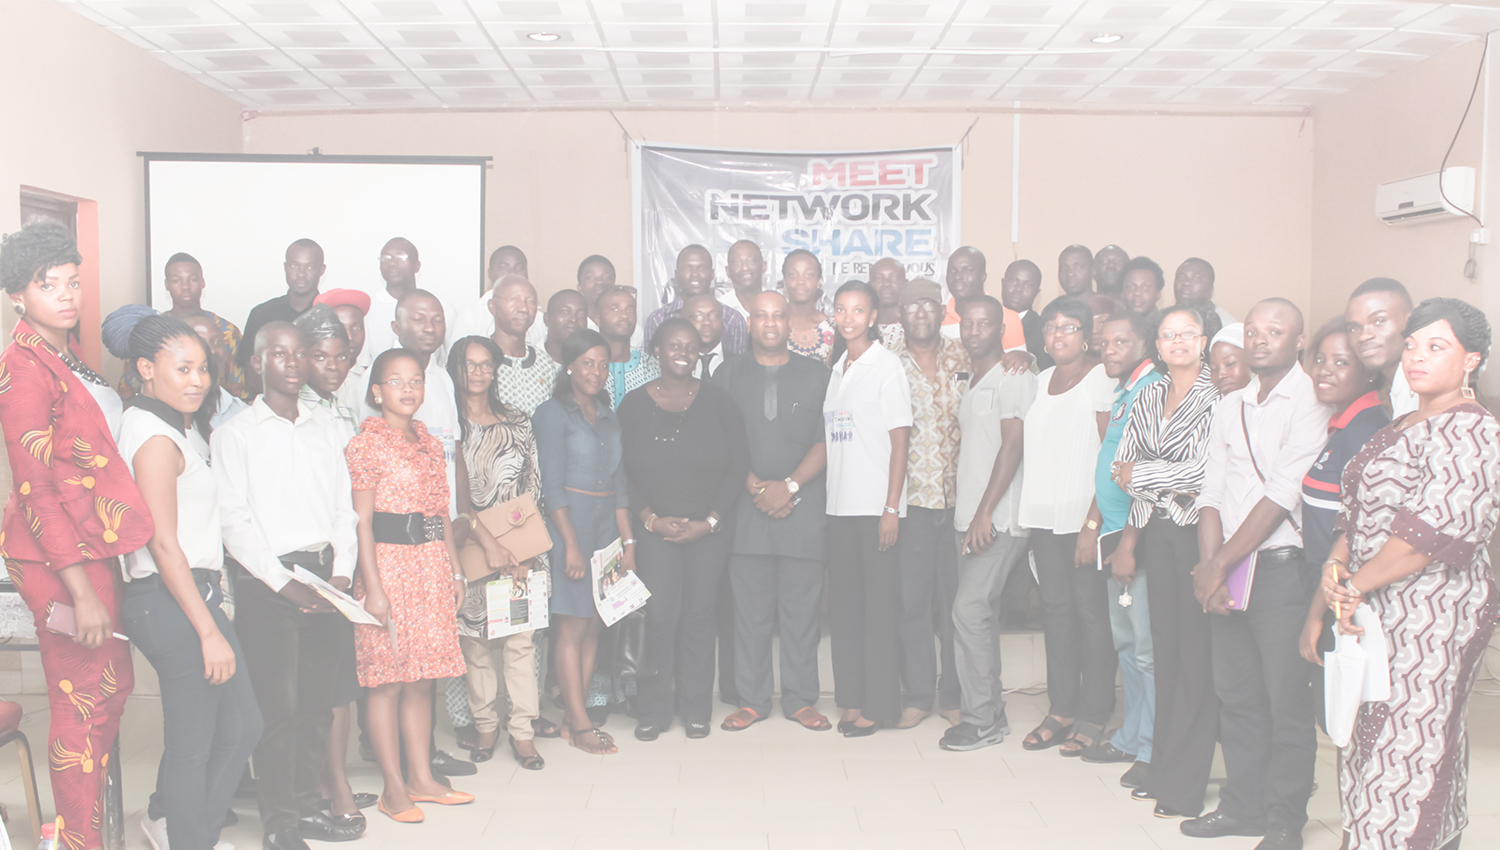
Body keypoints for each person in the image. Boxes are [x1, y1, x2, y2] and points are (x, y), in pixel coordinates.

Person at [1319, 298, 1498, 850]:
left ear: (1472, 360)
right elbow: (1358, 510)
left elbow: (1429, 534)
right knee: (1372, 737)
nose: (1416, 357)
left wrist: (1355, 584)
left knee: (1409, 740)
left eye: (1436, 347)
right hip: (1374, 604)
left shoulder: (1474, 431)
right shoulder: (1403, 423)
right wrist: (1336, 566)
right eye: (1413, 346)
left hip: (1435, 611)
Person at [0, 222, 149, 850]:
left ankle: (80, 833)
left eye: (72, 282)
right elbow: (35, 488)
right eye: (47, 284)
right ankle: (76, 842)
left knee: (110, 687)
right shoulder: (22, 369)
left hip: (92, 546)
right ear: (16, 295)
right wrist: (80, 593)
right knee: (79, 702)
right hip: (56, 556)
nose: (65, 294)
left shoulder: (63, 352)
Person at [213, 322, 366, 849]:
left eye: (300, 353)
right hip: (266, 580)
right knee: (277, 709)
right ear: (257, 364)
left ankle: (305, 806)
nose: (293, 363)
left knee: (318, 704)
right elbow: (234, 521)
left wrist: (342, 572)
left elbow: (346, 509)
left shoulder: (329, 428)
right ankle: (278, 823)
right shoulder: (235, 434)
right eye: (279, 354)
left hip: (325, 575)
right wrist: (282, 583)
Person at [1184, 298, 1330, 849]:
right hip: (1227, 571)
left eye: (1276, 331)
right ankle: (1242, 807)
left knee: (1285, 702)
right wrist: (1209, 566)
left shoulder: (1311, 399)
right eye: (1254, 330)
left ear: (1298, 341)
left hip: (1279, 573)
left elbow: (1282, 493)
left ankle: (1283, 820)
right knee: (1237, 696)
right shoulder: (1232, 404)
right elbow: (1211, 491)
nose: (1261, 339)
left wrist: (1216, 566)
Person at [116, 313, 263, 850]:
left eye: (203, 368)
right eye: (183, 369)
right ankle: (187, 838)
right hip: (169, 598)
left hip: (187, 594)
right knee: (193, 743)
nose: (197, 380)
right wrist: (207, 630)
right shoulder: (152, 435)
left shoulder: (173, 426)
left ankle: (180, 825)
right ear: (146, 369)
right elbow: (161, 543)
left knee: (242, 725)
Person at [345, 348, 473, 823]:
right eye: (395, 380)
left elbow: (441, 512)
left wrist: (455, 571)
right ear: (376, 391)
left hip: (430, 568)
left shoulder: (427, 441)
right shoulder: (365, 444)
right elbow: (361, 522)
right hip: (388, 568)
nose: (407, 388)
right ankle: (393, 786)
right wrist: (373, 588)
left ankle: (422, 777)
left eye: (415, 380)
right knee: (387, 683)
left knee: (422, 679)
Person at [1111, 304, 1222, 815]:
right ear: (1157, 344)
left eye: (1187, 334)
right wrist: (1132, 535)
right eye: (1167, 335)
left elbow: (1202, 474)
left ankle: (1187, 782)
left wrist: (1145, 474)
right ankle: (1165, 763)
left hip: (1198, 537)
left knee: (1195, 661)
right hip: (1157, 533)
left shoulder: (1217, 394)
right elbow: (1120, 468)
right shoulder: (1150, 392)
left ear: (1204, 341)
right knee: (1168, 655)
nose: (1177, 342)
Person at [620, 318, 750, 740]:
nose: (682, 351)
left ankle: (695, 708)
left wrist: (709, 521)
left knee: (698, 616)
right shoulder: (633, 405)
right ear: (656, 350)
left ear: (700, 353)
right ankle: (654, 710)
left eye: (690, 346)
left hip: (707, 532)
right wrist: (649, 518)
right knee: (659, 616)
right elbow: (621, 470)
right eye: (673, 344)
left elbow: (737, 467)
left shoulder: (720, 402)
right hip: (653, 530)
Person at [714, 292, 833, 733]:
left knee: (802, 616)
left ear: (790, 324)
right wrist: (756, 487)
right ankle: (753, 700)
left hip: (803, 514)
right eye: (760, 315)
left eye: (777, 315)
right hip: (746, 516)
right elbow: (720, 440)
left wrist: (790, 487)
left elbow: (826, 439)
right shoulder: (727, 374)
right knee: (750, 616)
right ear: (749, 322)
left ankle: (801, 700)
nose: (769, 323)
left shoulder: (816, 374)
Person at [1016, 296, 1118, 756]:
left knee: (1092, 616)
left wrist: (1093, 521)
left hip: (1084, 519)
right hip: (1045, 517)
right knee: (1057, 613)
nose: (1059, 335)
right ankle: (1062, 709)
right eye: (1052, 327)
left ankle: (1095, 712)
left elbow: (1113, 455)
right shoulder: (1038, 381)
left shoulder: (1101, 379)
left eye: (1070, 327)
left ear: (1087, 335)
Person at [448, 335, 549, 768]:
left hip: (521, 547)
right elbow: (450, 498)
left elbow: (533, 488)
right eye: (470, 365)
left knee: (521, 643)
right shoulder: (448, 427)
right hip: (469, 547)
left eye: (486, 364)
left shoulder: (518, 420)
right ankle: (485, 726)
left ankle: (523, 733)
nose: (479, 373)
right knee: (475, 644)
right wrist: (482, 541)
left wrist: (522, 551)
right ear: (455, 369)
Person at [940, 296, 1035, 752]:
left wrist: (984, 512)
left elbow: (1012, 447)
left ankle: (981, 721)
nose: (975, 330)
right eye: (968, 323)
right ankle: (990, 712)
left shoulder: (1015, 375)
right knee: (981, 615)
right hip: (971, 518)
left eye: (985, 324)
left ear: (1002, 330)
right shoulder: (974, 378)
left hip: (997, 519)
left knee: (968, 610)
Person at [533, 329, 635, 756]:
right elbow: (551, 486)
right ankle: (578, 722)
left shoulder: (609, 414)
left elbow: (621, 482)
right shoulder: (552, 414)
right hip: (569, 525)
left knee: (595, 623)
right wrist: (569, 545)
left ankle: (574, 719)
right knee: (571, 625)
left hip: (607, 526)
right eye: (587, 363)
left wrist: (629, 543)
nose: (596, 372)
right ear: (569, 366)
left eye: (602, 364)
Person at [1074, 313, 1162, 772]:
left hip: (1136, 538)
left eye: (1120, 342)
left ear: (1145, 344)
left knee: (1146, 650)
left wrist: (1128, 544)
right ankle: (1131, 735)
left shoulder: (1151, 390)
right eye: (1104, 342)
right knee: (1127, 645)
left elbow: (1145, 479)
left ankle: (1151, 746)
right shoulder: (1124, 390)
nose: (1109, 349)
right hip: (1113, 535)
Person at [824, 280, 912, 736]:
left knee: (878, 612)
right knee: (847, 611)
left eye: (858, 310)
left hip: (876, 508)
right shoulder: (838, 366)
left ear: (873, 316)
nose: (848, 318)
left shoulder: (886, 365)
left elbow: (901, 440)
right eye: (841, 310)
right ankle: (852, 699)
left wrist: (892, 507)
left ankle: (879, 705)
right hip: (839, 508)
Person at [1295, 321, 1387, 736]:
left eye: (1341, 362)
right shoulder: (1342, 425)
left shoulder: (1365, 431)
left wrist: (1317, 614)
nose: (1324, 370)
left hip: (1339, 599)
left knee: (1342, 719)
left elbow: (1349, 536)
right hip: (1323, 588)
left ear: (1368, 370)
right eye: (1319, 359)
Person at [892, 278, 968, 728]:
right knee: (912, 604)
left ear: (943, 312)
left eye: (928, 305)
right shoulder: (886, 364)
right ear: (899, 315)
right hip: (911, 503)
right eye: (911, 306)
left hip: (962, 502)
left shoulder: (965, 355)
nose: (921, 313)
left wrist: (1024, 355)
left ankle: (953, 695)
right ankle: (918, 694)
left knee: (956, 606)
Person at [238, 238, 325, 394]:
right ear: (285, 267)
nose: (301, 274)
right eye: (294, 265)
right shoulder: (262, 314)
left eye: (310, 267)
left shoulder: (330, 315)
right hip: (271, 408)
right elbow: (251, 375)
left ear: (322, 270)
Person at [159, 252, 249, 399]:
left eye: (193, 279)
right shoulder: (153, 330)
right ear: (167, 285)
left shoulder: (227, 331)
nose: (186, 286)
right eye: (177, 281)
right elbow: (131, 389)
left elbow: (237, 388)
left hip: (217, 413)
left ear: (202, 282)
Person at [361, 238, 454, 371]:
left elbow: (454, 359)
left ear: (417, 266)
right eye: (385, 258)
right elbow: (363, 365)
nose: (392, 263)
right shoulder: (367, 310)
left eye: (401, 257)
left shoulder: (442, 308)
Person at [643, 245, 749, 351]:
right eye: (687, 268)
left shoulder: (732, 319)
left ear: (712, 274)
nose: (695, 274)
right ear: (676, 275)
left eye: (702, 268)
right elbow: (652, 366)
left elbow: (737, 366)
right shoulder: (657, 320)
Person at [1344, 277, 1417, 417]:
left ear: (1410, 322)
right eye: (1354, 328)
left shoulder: (1418, 389)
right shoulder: (1395, 387)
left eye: (1379, 321)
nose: (1363, 336)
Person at [488, 275, 560, 415]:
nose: (523, 308)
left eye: (531, 301)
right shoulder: (477, 357)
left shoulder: (544, 362)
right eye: (514, 299)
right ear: (492, 306)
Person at [940, 247, 1026, 350]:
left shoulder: (1007, 318)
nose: (958, 276)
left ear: (983, 276)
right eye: (952, 271)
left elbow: (1015, 363)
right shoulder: (937, 316)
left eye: (967, 270)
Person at [295, 305, 359, 436]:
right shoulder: (293, 412)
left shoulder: (347, 416)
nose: (333, 366)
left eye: (342, 357)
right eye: (320, 357)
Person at [598, 286, 660, 407]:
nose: (625, 316)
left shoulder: (652, 367)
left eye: (630, 310)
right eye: (615, 309)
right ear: (597, 319)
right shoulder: (585, 365)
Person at [315, 288, 372, 420]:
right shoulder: (308, 383)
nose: (350, 337)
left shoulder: (372, 380)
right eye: (340, 327)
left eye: (357, 328)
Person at [453, 245, 529, 343]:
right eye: (503, 267)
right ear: (490, 273)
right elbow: (456, 357)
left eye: (520, 268)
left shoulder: (536, 317)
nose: (512, 273)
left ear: (527, 273)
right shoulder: (471, 316)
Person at [783, 249, 836, 363]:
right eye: (793, 275)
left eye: (809, 275)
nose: (800, 281)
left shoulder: (833, 328)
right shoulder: (772, 325)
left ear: (818, 281)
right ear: (785, 281)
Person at [1000, 259, 1050, 369]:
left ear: (1037, 292)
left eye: (1027, 285)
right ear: (1003, 284)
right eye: (1013, 281)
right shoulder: (985, 322)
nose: (1018, 289)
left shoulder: (1044, 330)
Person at [1173, 258, 1237, 330]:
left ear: (1210, 289)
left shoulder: (1227, 327)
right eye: (1181, 278)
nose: (1186, 283)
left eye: (1197, 278)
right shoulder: (1163, 322)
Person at [683, 292, 731, 378]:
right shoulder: (674, 364)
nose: (707, 322)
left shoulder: (741, 366)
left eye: (714, 316)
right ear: (684, 321)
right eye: (697, 317)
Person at [542, 288, 589, 365]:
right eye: (565, 312)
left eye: (581, 315)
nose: (573, 319)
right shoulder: (530, 360)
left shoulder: (592, 362)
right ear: (546, 319)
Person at [723, 239, 767, 319]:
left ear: (764, 266)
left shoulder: (780, 305)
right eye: (737, 263)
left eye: (751, 261)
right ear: (728, 271)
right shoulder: (720, 309)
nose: (745, 268)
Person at [868, 257, 906, 348]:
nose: (886, 283)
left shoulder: (916, 328)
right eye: (878, 278)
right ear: (869, 284)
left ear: (905, 283)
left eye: (894, 278)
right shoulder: (860, 328)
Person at [1210, 322, 1252, 396]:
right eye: (1214, 369)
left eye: (1230, 363)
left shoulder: (1275, 403)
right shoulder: (1219, 406)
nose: (1220, 375)